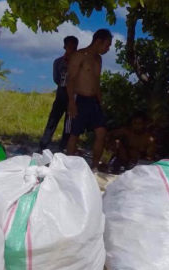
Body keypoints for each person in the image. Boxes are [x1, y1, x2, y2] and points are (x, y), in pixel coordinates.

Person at [66, 29, 112, 169]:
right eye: (107, 45)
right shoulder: (79, 55)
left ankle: (94, 167)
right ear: (98, 41)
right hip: (80, 99)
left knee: (101, 132)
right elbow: (70, 80)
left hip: (94, 101)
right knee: (75, 133)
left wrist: (100, 101)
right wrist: (71, 102)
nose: (108, 48)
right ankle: (68, 166)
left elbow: (96, 81)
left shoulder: (99, 59)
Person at [39, 36, 78, 152]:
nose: (71, 49)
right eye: (69, 46)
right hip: (61, 94)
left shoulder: (79, 63)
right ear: (65, 47)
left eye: (73, 47)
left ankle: (63, 147)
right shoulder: (58, 62)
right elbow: (56, 78)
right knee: (52, 121)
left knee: (68, 124)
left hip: (73, 96)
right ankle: (43, 146)